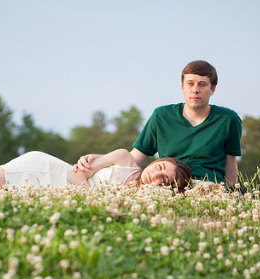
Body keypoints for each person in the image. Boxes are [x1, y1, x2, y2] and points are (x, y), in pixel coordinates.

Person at [75, 60, 242, 185]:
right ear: (182, 87)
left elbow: (230, 163)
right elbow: (135, 158)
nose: (195, 89)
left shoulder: (228, 119)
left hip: (206, 186)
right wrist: (100, 159)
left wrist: (233, 194)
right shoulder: (162, 116)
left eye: (202, 84)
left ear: (212, 89)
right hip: (165, 184)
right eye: (190, 84)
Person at [0, 149, 192, 191]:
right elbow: (77, 173)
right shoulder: (124, 159)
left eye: (164, 180)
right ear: (153, 161)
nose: (156, 176)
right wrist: (93, 200)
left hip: (52, 194)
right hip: (48, 171)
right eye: (160, 167)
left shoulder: (140, 200)